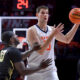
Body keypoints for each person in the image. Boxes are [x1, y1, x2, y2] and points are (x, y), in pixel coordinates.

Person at [26, 5, 80, 80]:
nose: (45, 15)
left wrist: (77, 23)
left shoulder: (52, 29)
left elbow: (67, 39)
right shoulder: (31, 30)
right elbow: (40, 51)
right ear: (37, 15)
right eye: (42, 13)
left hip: (49, 70)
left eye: (47, 13)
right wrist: (52, 35)